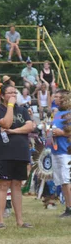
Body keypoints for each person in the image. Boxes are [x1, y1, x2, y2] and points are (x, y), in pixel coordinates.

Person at [0, 84, 35, 228]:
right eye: (9, 93)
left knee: (16, 185)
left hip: (20, 152)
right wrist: (10, 105)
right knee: (3, 185)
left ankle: (20, 221)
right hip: (4, 152)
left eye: (15, 93)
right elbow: (7, 123)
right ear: (2, 96)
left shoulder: (22, 110)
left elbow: (30, 127)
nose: (13, 95)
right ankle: (1, 221)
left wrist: (14, 132)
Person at [50, 90, 71, 218]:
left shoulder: (68, 114)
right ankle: (68, 207)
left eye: (58, 97)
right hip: (56, 150)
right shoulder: (58, 114)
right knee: (63, 181)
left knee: (67, 180)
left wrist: (61, 133)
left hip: (66, 151)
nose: (55, 99)